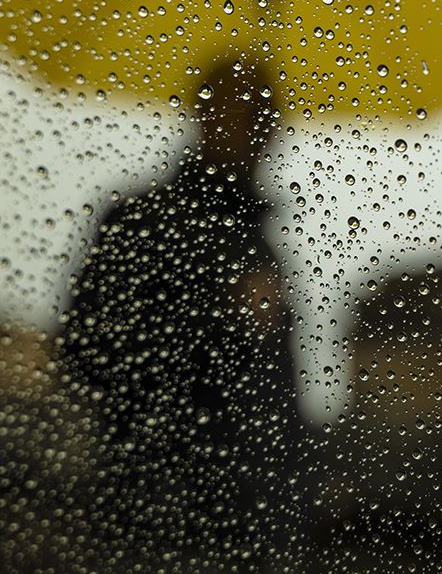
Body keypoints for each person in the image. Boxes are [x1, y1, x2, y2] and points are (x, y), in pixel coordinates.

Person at [58, 60, 302, 572]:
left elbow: (281, 396)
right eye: (241, 112)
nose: (258, 130)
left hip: (257, 527)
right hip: (158, 517)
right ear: (202, 116)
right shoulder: (141, 222)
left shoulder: (262, 247)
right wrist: (224, 314)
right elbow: (86, 353)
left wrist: (295, 497)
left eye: (267, 115)